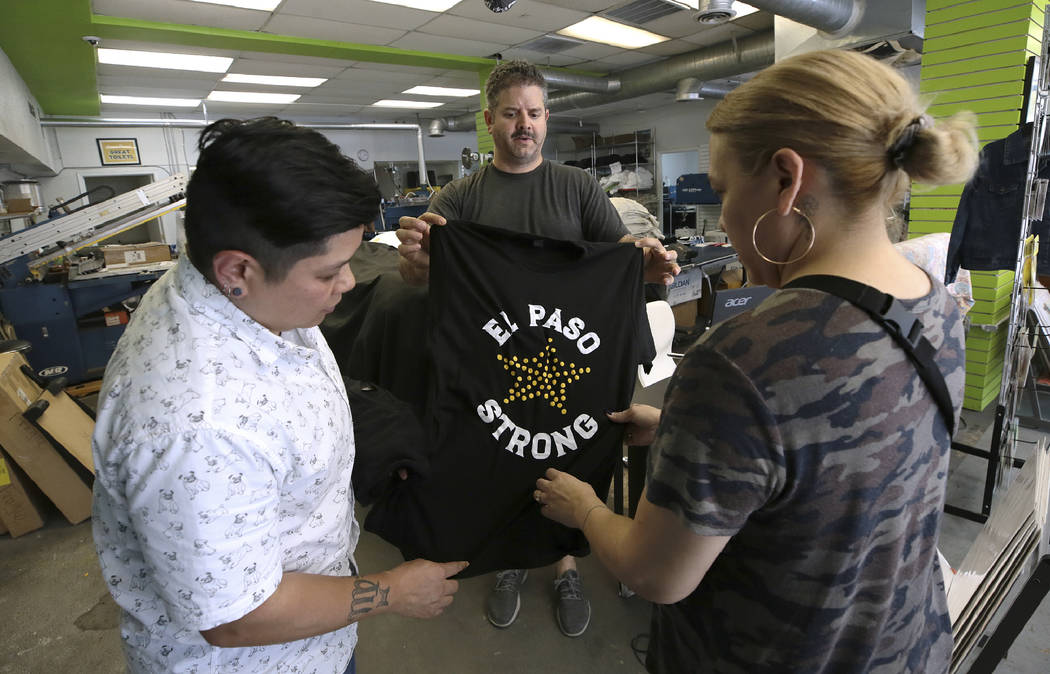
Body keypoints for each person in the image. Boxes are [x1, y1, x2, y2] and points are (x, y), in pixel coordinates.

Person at [534, 48, 978, 673]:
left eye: (723, 190)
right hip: (904, 650)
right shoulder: (933, 306)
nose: (726, 218)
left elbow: (655, 574)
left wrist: (584, 505)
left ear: (785, 180)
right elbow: (844, 457)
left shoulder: (742, 360)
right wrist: (688, 438)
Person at [91, 117, 466, 674]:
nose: (346, 285)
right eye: (330, 272)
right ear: (237, 269)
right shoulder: (195, 427)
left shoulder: (240, 294)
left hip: (316, 638)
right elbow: (236, 617)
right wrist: (389, 592)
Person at [395, 60, 678, 638]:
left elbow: (618, 249)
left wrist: (644, 260)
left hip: (571, 357)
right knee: (501, 457)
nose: (524, 124)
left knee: (566, 454)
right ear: (489, 121)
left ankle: (564, 561)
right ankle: (511, 558)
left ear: (546, 118)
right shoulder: (461, 195)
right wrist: (417, 257)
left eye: (534, 112)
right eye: (511, 113)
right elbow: (424, 278)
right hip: (492, 363)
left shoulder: (576, 187)